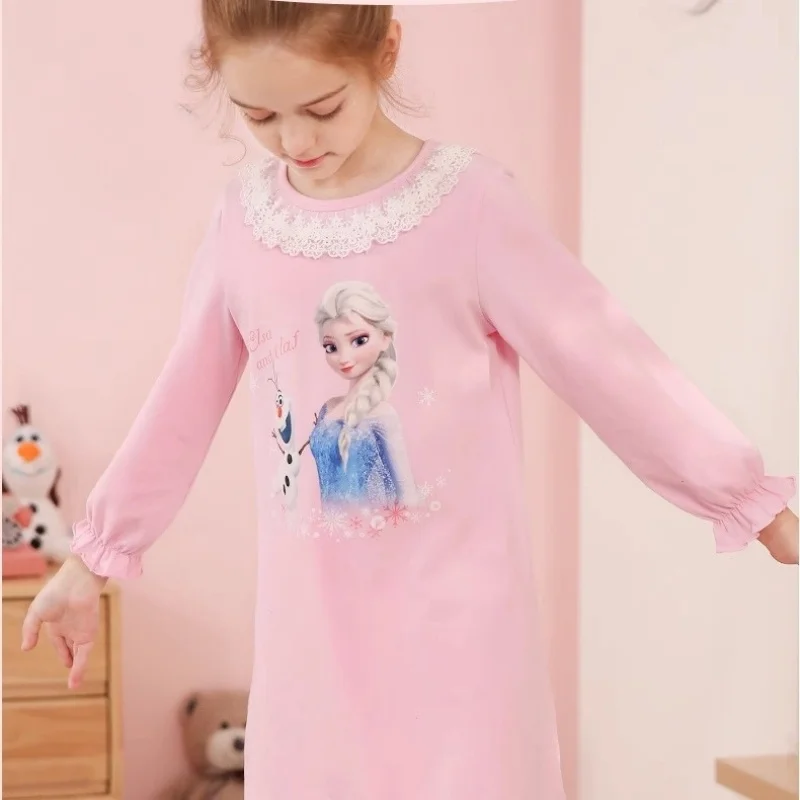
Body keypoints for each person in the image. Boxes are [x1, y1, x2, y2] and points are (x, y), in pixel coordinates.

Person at [21, 2, 798, 798]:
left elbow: (604, 358)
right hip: (314, 638)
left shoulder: (469, 206)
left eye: (322, 107)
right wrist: (91, 561)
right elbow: (178, 408)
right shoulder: (245, 225)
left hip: (461, 633)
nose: (296, 140)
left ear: (386, 53)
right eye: (260, 116)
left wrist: (746, 499)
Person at [309, 280, 418, 512]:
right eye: (331, 347)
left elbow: (408, 496)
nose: (344, 358)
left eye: (359, 340)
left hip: (371, 527)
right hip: (328, 529)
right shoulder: (328, 408)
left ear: (385, 337)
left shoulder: (383, 415)